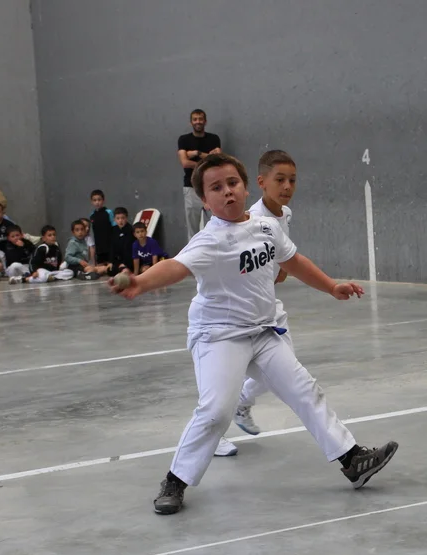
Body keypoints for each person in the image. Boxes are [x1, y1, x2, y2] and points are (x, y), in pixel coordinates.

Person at [110, 153, 398, 515]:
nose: (227, 192)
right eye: (216, 188)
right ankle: (175, 480)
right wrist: (139, 282)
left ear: (246, 188)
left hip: (262, 333)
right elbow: (175, 267)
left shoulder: (266, 227)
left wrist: (331, 286)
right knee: (216, 411)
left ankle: (352, 460)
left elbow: (293, 261)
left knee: (305, 390)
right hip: (219, 336)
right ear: (205, 201)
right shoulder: (209, 240)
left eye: (232, 183)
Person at [231, 150, 298, 438]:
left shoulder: (285, 214)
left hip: (269, 306)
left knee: (285, 367)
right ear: (261, 182)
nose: (287, 187)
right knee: (226, 378)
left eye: (292, 180)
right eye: (280, 180)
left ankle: (241, 403)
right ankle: (218, 425)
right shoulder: (252, 220)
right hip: (241, 311)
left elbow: (280, 252)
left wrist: (281, 268)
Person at [177, 108, 222, 238]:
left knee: (215, 225)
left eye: (200, 119)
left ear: (205, 121)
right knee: (193, 230)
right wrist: (208, 158)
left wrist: (197, 153)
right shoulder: (184, 140)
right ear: (191, 122)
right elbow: (185, 163)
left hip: (211, 188)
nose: (198, 122)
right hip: (191, 188)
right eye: (195, 119)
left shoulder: (214, 139)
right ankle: (194, 251)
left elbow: (217, 160)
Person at [88, 190, 114, 268]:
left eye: (99, 200)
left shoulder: (108, 212)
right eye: (94, 200)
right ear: (91, 202)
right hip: (99, 247)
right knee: (100, 266)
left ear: (103, 200)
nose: (97, 202)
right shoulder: (92, 215)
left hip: (110, 245)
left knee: (110, 266)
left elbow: (114, 226)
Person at [106, 207, 134, 276]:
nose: (120, 220)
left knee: (123, 270)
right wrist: (111, 262)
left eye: (123, 218)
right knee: (110, 270)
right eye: (118, 218)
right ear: (114, 219)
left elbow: (129, 249)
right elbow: (112, 247)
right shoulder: (114, 230)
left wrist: (124, 263)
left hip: (128, 260)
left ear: (126, 218)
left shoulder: (130, 230)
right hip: (118, 260)